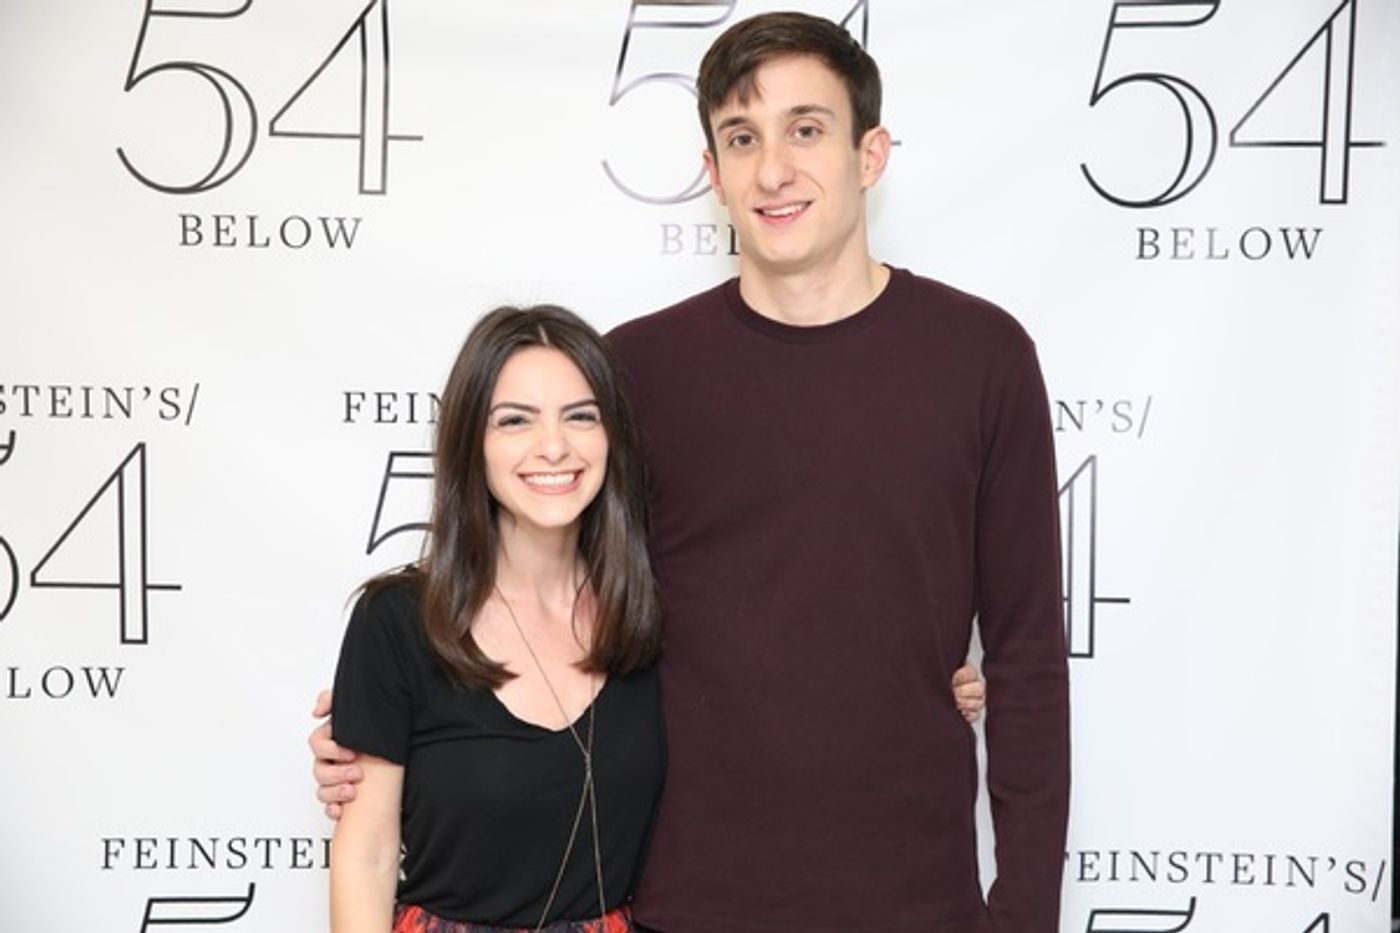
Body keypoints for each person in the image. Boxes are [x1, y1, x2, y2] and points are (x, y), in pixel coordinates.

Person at [317, 11, 1067, 932]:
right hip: (686, 905)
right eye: (741, 138)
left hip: (914, 904)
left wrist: (1025, 911)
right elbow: (550, 600)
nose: (773, 169)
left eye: (806, 129)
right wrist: (393, 723)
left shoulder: (982, 357)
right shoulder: (637, 371)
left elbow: (1027, 656)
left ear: (870, 154)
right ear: (711, 173)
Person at [329, 305, 665, 932]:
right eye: (515, 421)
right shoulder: (397, 622)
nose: (554, 446)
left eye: (581, 416)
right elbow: (367, 856)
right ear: (470, 444)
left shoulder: (651, 612)